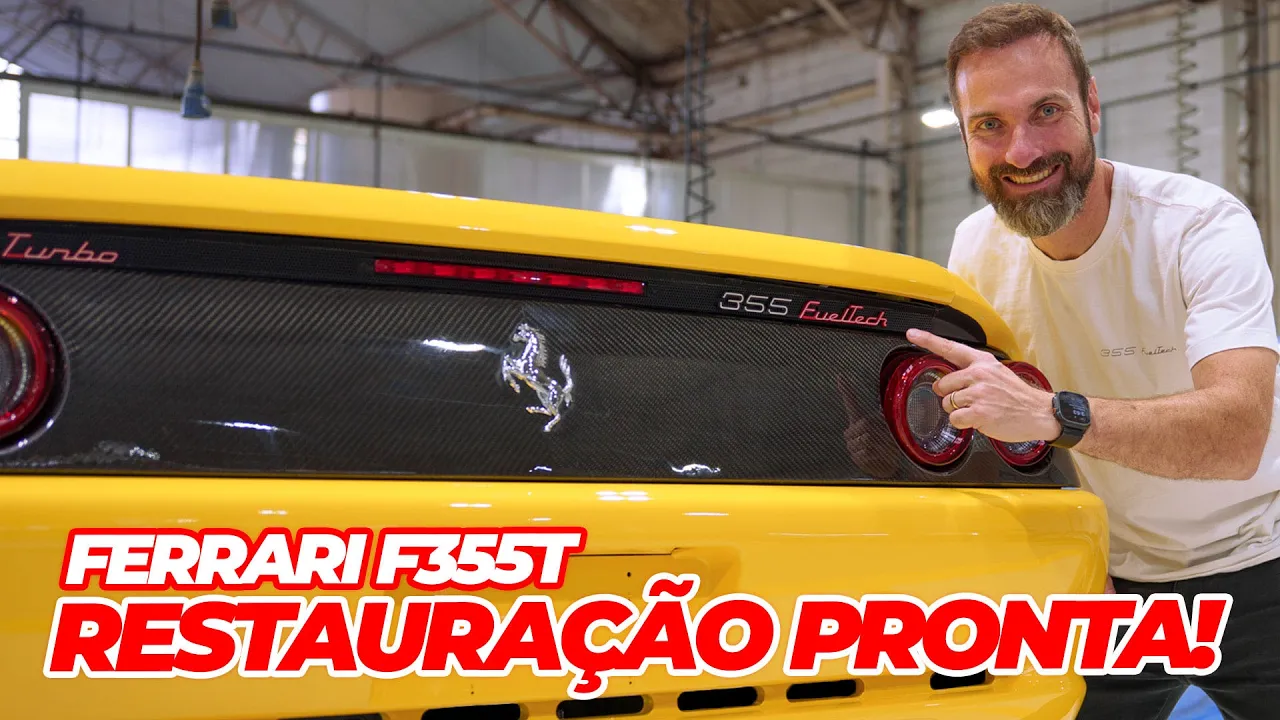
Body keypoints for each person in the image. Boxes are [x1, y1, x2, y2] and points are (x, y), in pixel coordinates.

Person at [902, 3, 1280, 717]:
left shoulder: (1200, 224)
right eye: (989, 125)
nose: (1021, 152)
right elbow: (996, 434)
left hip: (1257, 561)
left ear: (1092, 106)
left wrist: (1057, 416)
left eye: (1046, 111)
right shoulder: (975, 248)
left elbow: (1238, 435)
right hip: (1103, 583)